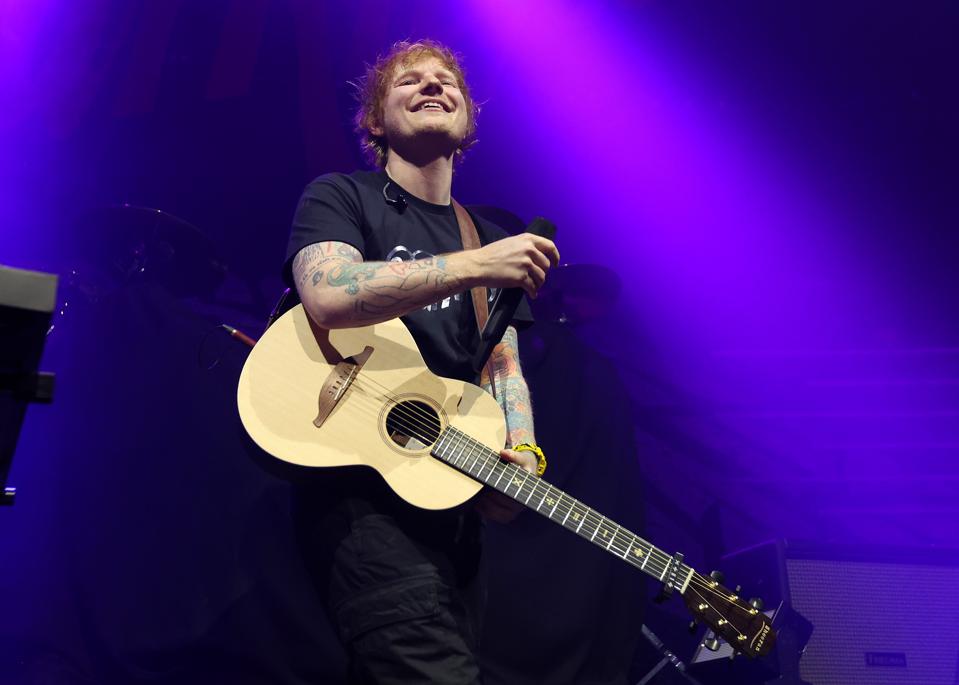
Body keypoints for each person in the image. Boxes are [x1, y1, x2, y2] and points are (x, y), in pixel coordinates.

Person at [282, 40, 560, 683]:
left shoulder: (487, 231)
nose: (434, 86)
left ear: (468, 123)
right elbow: (328, 294)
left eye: (447, 81)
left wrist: (523, 450)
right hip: (364, 505)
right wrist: (478, 266)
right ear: (375, 122)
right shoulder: (341, 196)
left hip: (453, 515)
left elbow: (501, 361)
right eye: (410, 81)